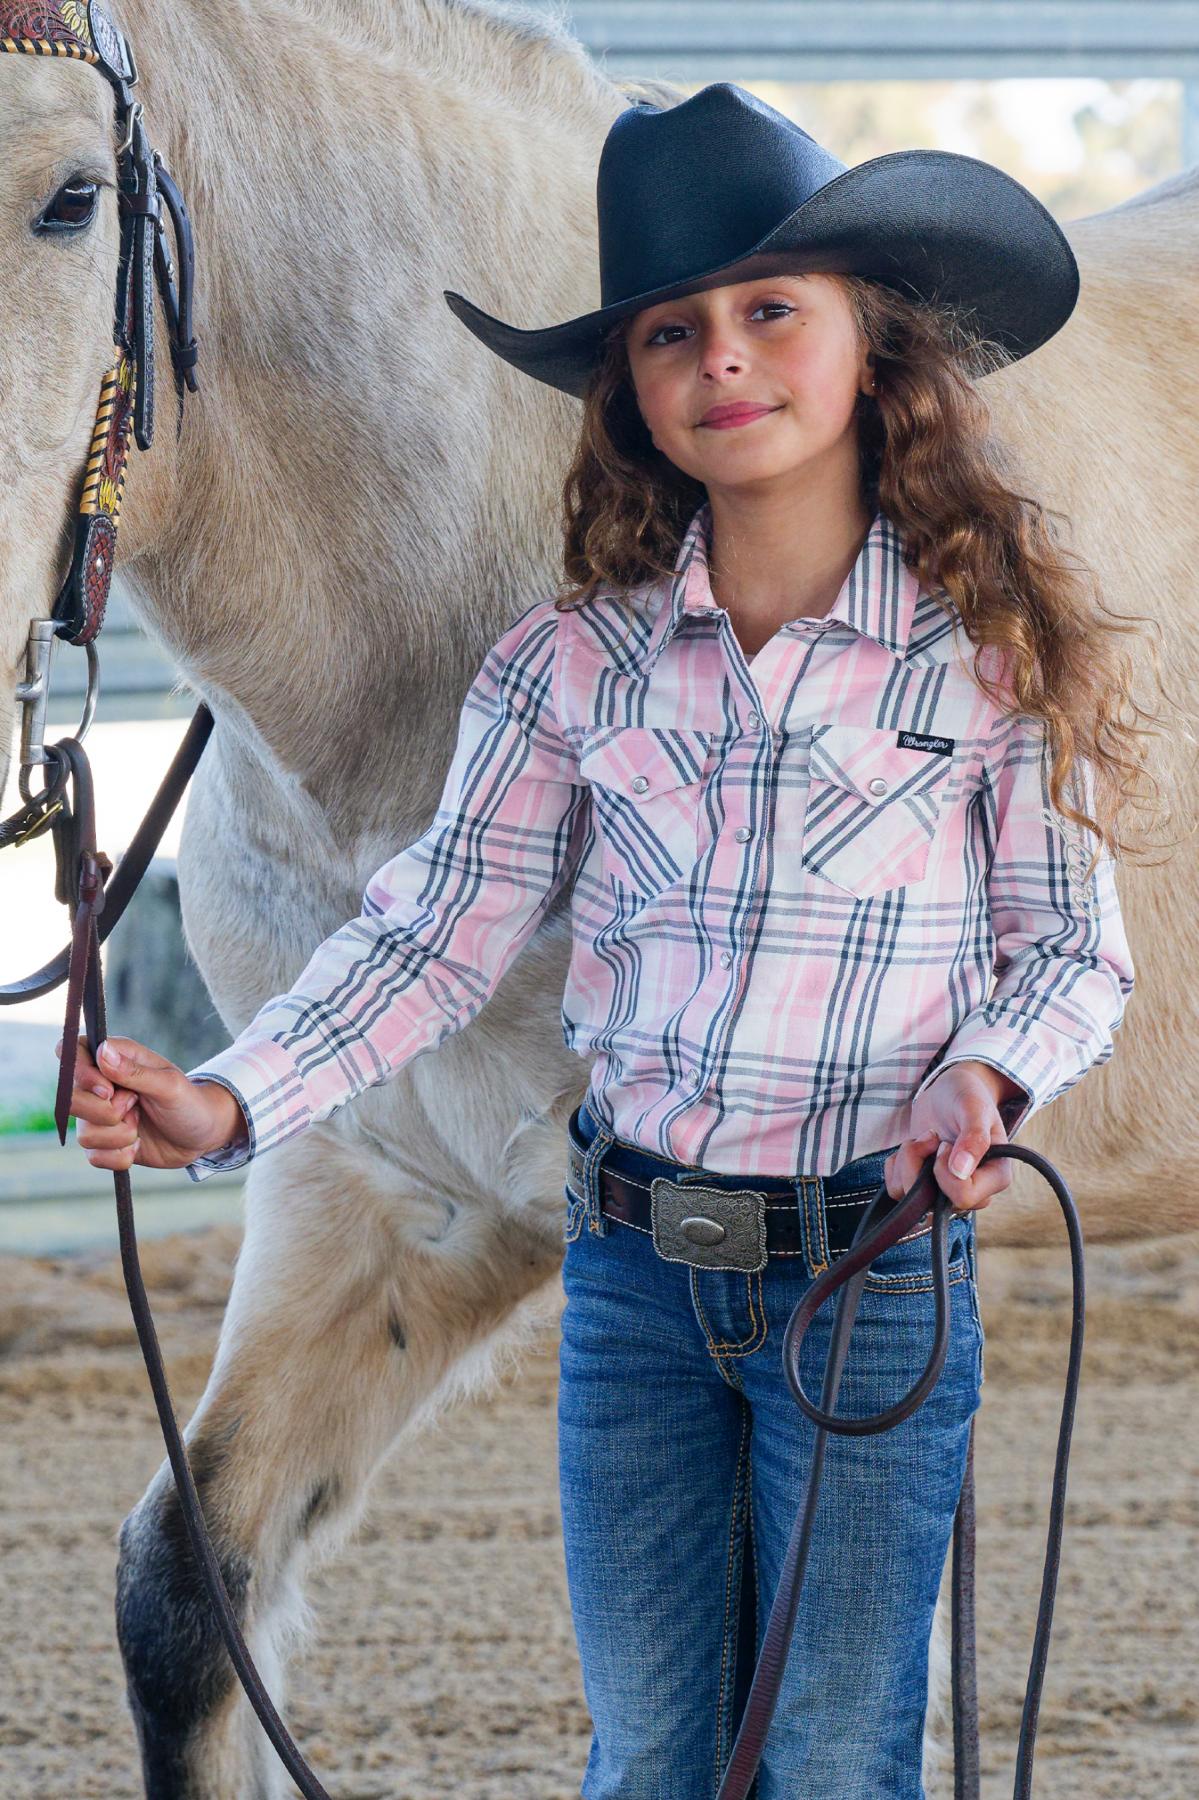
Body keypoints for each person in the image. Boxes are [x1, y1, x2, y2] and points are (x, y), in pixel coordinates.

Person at [61, 84, 1141, 1799]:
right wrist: (234, 1098)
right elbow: (429, 936)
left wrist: (987, 1072)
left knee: (839, 1762)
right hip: (638, 1285)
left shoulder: (981, 663)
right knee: (648, 1756)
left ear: (872, 350)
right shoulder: (573, 673)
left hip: (868, 1283)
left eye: (770, 312)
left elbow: (1074, 951)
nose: (723, 357)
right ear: (633, 392)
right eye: (670, 331)